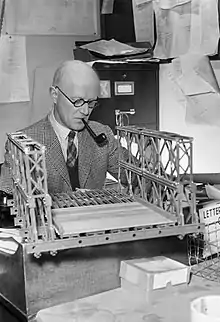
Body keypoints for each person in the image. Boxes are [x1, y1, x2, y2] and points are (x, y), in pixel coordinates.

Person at [0, 60, 128, 196]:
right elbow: (7, 197)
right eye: (77, 101)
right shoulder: (23, 143)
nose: (85, 111)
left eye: (91, 103)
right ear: (55, 95)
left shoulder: (102, 135)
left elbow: (139, 178)